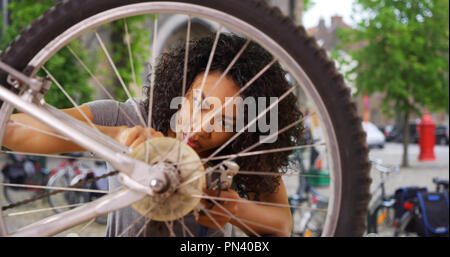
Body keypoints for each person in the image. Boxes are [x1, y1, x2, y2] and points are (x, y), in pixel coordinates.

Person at [3, 33, 303, 237]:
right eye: (199, 104)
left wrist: (235, 208)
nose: (200, 127)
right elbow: (13, 131)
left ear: (243, 131)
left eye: (224, 120)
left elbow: (281, 226)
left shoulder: (244, 153)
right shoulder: (130, 118)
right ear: (182, 88)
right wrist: (115, 136)